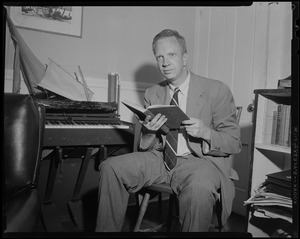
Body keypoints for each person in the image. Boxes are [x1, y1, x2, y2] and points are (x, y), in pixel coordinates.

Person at [95, 29, 241, 232]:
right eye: (159, 57)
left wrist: (206, 132)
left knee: (199, 187)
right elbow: (150, 145)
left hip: (200, 162)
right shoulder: (152, 93)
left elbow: (234, 142)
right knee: (111, 167)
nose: (165, 62)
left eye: (171, 55)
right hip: (162, 159)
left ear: (185, 57)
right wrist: (149, 131)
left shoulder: (216, 90)